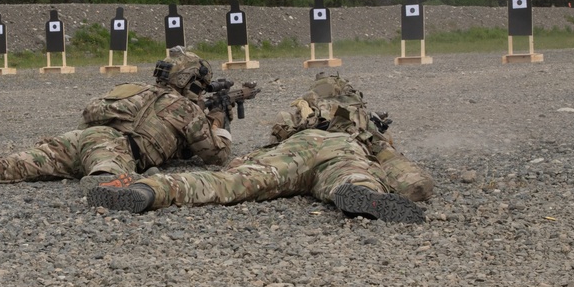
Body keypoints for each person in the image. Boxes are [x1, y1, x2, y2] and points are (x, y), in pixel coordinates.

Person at [0, 48, 233, 190]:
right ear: (192, 84)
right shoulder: (185, 109)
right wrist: (218, 121)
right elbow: (213, 156)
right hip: (110, 147)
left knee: (1, 167)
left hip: (76, 139)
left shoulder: (135, 90)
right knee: (110, 175)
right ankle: (107, 184)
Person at [86, 74, 434, 223]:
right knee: (351, 175)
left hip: (294, 150)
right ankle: (360, 194)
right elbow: (410, 181)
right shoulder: (360, 122)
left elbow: (278, 134)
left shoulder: (306, 108)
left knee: (229, 184)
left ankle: (149, 189)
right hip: (342, 150)